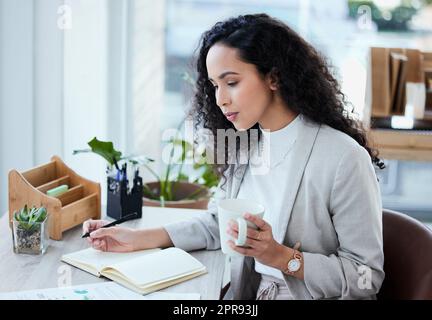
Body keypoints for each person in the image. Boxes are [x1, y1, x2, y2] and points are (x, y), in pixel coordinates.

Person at [83, 13, 385, 300]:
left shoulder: (343, 158)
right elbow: (219, 225)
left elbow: (366, 276)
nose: (220, 99)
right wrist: (136, 239)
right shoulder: (245, 146)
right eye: (215, 85)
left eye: (231, 82)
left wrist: (282, 257)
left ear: (274, 78)